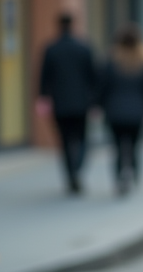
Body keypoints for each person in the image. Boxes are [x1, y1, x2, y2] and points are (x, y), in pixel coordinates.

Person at [38, 13, 98, 194]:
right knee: (81, 139)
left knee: (64, 141)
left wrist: (42, 97)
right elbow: (93, 77)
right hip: (82, 103)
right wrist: (95, 101)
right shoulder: (84, 47)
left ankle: (70, 173)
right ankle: (77, 167)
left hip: (60, 104)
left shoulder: (51, 48)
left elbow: (43, 77)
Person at [98, 24, 143, 195]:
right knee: (134, 146)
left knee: (117, 147)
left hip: (115, 112)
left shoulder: (111, 61)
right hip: (137, 113)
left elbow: (102, 88)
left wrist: (98, 106)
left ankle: (120, 176)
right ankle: (133, 172)